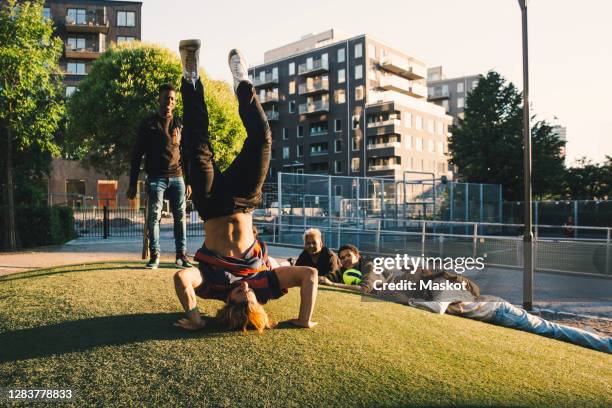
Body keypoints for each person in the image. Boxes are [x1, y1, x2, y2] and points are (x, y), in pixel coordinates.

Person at [172, 39, 317, 332]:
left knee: (196, 141)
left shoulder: (211, 286)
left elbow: (181, 279)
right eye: (251, 300)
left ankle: (190, 76)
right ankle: (243, 82)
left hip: (211, 204)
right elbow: (310, 275)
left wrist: (196, 316)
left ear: (228, 306)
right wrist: (303, 319)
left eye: (240, 300)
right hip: (244, 200)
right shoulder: (266, 284)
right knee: (263, 139)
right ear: (259, 304)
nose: (247, 293)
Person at [321, 264, 611, 353]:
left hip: (503, 312)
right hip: (499, 313)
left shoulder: (449, 284)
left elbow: (436, 310)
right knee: (551, 331)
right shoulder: (432, 284)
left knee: (552, 330)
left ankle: (606, 343)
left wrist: (404, 300)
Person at [126, 84, 192, 269]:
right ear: (159, 99)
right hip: (156, 178)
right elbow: (137, 154)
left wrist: (189, 181)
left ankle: (181, 256)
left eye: (172, 99)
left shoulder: (179, 123)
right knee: (154, 217)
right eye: (166, 98)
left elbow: (186, 153)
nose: (169, 102)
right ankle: (155, 256)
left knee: (180, 217)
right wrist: (132, 183)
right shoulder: (148, 124)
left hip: (178, 177)